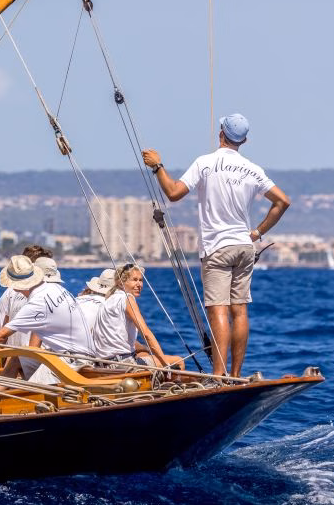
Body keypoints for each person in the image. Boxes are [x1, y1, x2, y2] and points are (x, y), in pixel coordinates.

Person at [142, 113, 290, 376]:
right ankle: (235, 375)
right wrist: (257, 233)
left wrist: (157, 167)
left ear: (221, 133)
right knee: (240, 311)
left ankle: (219, 376)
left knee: (218, 311)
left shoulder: (205, 163)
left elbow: (173, 193)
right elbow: (283, 201)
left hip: (217, 247)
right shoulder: (253, 169)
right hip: (244, 246)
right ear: (244, 140)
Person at [0, 255, 94, 385]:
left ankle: (8, 401)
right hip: (78, 355)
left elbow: (1, 335)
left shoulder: (37, 303)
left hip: (72, 360)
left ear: (14, 285)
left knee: (29, 392)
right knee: (17, 359)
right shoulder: (55, 288)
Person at [90, 264, 185, 370]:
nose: (139, 284)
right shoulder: (127, 299)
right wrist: (165, 364)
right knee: (178, 361)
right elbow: (146, 334)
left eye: (141, 280)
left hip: (104, 364)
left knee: (144, 354)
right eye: (134, 280)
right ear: (121, 283)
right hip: (122, 364)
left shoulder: (108, 300)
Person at [0, 245, 51, 379]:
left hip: (16, 366)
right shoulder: (47, 294)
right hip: (31, 367)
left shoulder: (9, 293)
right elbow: (1, 336)